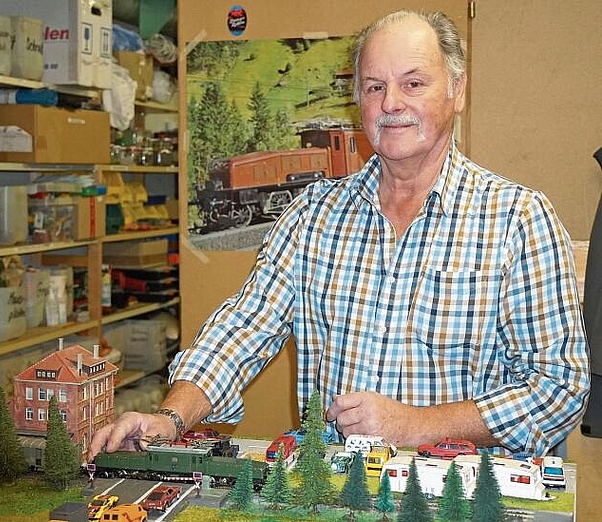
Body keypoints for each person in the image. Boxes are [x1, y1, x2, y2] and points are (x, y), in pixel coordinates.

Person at [89, 9, 589, 459]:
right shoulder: (314, 215)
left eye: (413, 83)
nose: (391, 102)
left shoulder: (519, 218)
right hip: (329, 487)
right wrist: (170, 417)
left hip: (456, 495)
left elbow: (559, 386)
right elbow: (244, 328)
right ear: (359, 104)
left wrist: (419, 426)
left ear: (457, 91)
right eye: (374, 87)